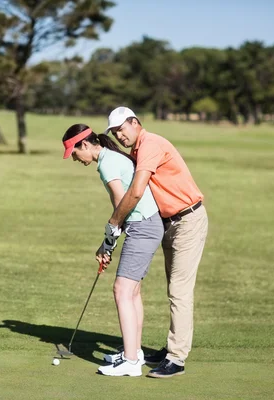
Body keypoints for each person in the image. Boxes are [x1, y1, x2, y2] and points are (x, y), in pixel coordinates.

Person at [99, 106, 209, 378]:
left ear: (135, 123)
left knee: (179, 292)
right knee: (172, 288)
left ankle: (177, 357)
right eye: (114, 133)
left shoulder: (151, 144)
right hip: (168, 223)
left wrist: (113, 224)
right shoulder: (137, 150)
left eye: (121, 130)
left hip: (187, 219)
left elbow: (136, 192)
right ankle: (169, 349)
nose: (120, 136)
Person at [62, 124, 164, 377]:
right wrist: (110, 240)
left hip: (142, 226)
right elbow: (120, 210)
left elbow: (121, 204)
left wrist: (109, 239)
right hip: (146, 225)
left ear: (84, 145)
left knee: (122, 290)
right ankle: (135, 352)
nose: (75, 159)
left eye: (74, 153)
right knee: (133, 291)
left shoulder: (107, 163)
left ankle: (130, 362)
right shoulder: (111, 157)